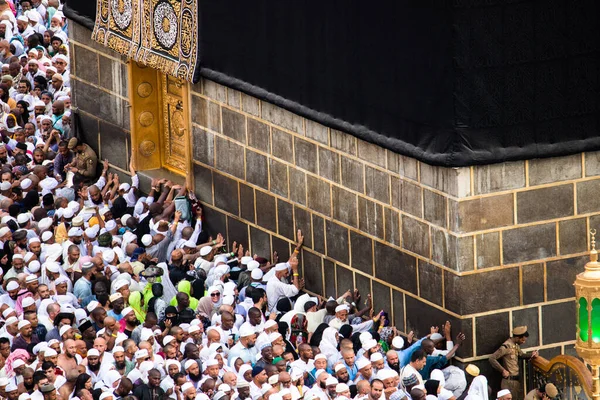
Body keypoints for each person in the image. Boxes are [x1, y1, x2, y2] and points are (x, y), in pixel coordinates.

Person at [489, 326, 538, 400]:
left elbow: (520, 355)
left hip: (515, 381)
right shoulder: (506, 346)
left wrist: (532, 354)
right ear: (518, 338)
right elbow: (492, 358)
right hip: (509, 382)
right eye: (523, 340)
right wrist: (503, 370)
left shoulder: (515, 345)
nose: (523, 342)